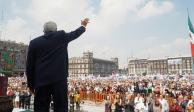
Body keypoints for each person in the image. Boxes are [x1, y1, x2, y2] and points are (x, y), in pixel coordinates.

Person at [26, 18, 89, 112]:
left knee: (40, 108)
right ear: (55, 30)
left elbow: (29, 66)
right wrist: (83, 25)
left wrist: (31, 85)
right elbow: (75, 33)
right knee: (61, 107)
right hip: (59, 80)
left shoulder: (34, 43)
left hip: (41, 81)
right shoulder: (61, 36)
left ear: (44, 31)